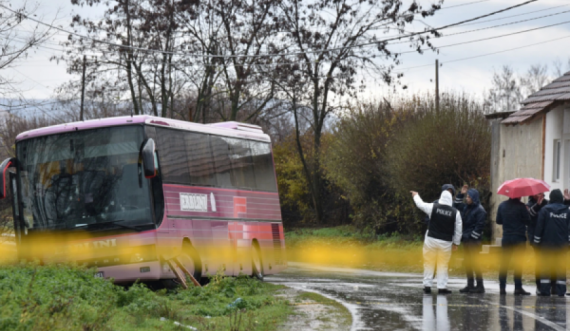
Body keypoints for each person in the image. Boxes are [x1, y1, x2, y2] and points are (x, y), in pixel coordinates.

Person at [412, 190, 462, 295]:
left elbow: (420, 205)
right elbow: (458, 229)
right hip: (446, 242)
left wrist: (416, 195)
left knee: (429, 262)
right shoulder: (455, 212)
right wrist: (456, 243)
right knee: (443, 264)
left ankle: (427, 286)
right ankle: (442, 287)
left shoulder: (433, 207)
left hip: (431, 239)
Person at [533, 189, 570, 296]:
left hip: (546, 245)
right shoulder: (567, 211)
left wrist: (536, 243)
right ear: (560, 198)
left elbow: (539, 228)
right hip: (561, 246)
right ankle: (561, 291)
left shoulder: (545, 210)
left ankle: (544, 291)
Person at [496, 194, 531, 295]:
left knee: (504, 263)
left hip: (506, 237)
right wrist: (526, 211)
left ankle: (502, 288)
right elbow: (528, 221)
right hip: (519, 238)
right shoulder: (522, 206)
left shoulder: (502, 205)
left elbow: (498, 221)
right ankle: (518, 287)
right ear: (518, 196)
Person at [455, 185, 486, 294]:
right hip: (466, 239)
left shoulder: (480, 210)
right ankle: (470, 285)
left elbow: (480, 226)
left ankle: (480, 285)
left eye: (468, 197)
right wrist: (461, 193)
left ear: (473, 198)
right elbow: (457, 205)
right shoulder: (467, 208)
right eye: (466, 197)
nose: (466, 198)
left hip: (473, 241)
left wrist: (471, 237)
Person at [526, 192, 549, 291]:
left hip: (547, 237)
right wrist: (537, 205)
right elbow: (530, 216)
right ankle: (539, 286)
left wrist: (566, 202)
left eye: (541, 193)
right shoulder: (528, 205)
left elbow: (558, 209)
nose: (540, 195)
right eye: (537, 193)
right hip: (535, 238)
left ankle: (550, 286)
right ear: (533, 195)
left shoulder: (548, 203)